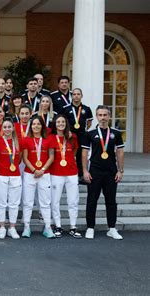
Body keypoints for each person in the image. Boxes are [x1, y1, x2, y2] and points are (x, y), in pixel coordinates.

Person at [82, 105, 125, 240]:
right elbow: (84, 154)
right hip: (94, 171)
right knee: (91, 200)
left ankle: (112, 228)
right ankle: (90, 227)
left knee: (111, 201)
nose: (103, 118)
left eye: (105, 115)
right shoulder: (90, 134)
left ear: (109, 116)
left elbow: (120, 153)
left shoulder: (116, 133)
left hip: (111, 172)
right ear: (96, 117)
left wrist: (120, 170)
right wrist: (84, 171)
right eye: (100, 115)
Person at [22, 115, 55, 238]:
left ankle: (47, 227)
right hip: (30, 173)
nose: (36, 126)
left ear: (42, 126)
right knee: (28, 202)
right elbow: (25, 158)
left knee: (45, 202)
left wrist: (42, 169)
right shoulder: (26, 140)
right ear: (31, 126)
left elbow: (51, 156)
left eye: (38, 124)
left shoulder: (49, 139)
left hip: (44, 173)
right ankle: (26, 227)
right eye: (34, 124)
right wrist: (34, 169)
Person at [49, 115, 82, 238]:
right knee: (55, 201)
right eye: (58, 122)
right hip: (56, 173)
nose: (61, 124)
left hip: (72, 172)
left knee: (73, 201)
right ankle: (58, 226)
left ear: (66, 123)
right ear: (55, 124)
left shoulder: (72, 137)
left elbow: (74, 152)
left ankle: (73, 227)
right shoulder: (51, 137)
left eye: (63, 121)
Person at [0, 118, 22, 239]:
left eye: (9, 127)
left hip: (15, 175)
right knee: (1, 202)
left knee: (14, 203)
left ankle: (12, 227)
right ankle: (2, 227)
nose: (7, 129)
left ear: (13, 128)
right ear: (1, 129)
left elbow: (19, 159)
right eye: (5, 127)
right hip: (1, 174)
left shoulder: (18, 141)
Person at [64, 88, 93, 179]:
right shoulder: (66, 108)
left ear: (81, 96)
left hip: (82, 135)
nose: (76, 96)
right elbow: (63, 122)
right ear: (72, 96)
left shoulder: (86, 109)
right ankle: (67, 173)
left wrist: (83, 130)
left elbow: (89, 123)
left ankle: (81, 175)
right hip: (70, 135)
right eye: (74, 94)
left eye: (78, 94)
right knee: (69, 154)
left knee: (81, 155)